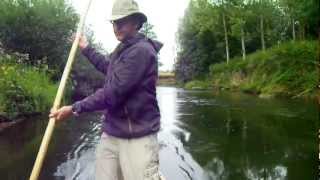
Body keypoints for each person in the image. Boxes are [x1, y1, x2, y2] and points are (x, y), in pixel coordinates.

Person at [49, 0, 163, 179]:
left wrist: (73, 108)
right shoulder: (122, 50)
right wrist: (86, 48)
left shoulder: (142, 51)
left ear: (136, 22)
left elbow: (111, 93)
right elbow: (107, 66)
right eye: (114, 23)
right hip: (112, 132)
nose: (116, 27)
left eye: (121, 22)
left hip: (138, 136)